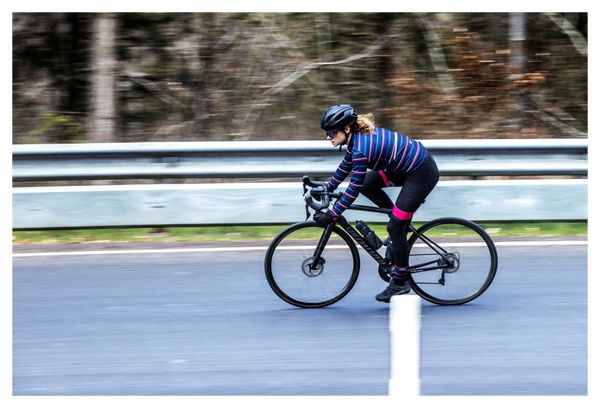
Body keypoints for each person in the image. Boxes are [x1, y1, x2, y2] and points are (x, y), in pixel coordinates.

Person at [313, 104, 439, 302]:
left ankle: (400, 282)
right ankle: (396, 219)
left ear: (346, 128)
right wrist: (328, 187)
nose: (328, 137)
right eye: (326, 133)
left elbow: (352, 188)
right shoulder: (355, 141)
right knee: (370, 188)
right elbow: (346, 166)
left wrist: (333, 214)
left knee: (395, 227)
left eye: (330, 132)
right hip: (402, 169)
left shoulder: (362, 147)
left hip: (420, 173)